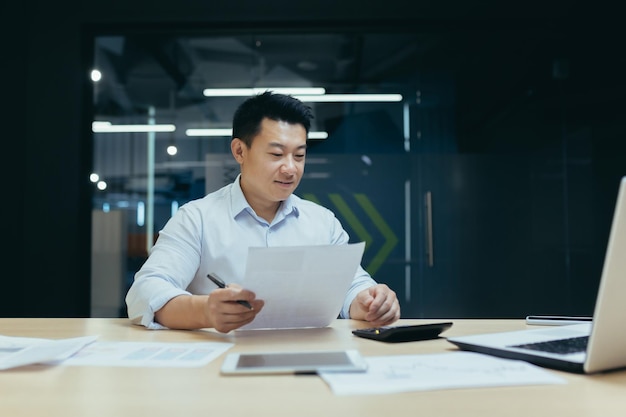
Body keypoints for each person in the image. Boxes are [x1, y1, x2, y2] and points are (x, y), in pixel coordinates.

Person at [125, 91, 401, 333]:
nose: (290, 168)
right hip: (220, 367)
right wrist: (205, 311)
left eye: (299, 155)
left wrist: (369, 301)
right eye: (276, 154)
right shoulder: (196, 218)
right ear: (239, 151)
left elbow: (352, 285)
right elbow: (146, 291)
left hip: (307, 362)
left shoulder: (322, 222)